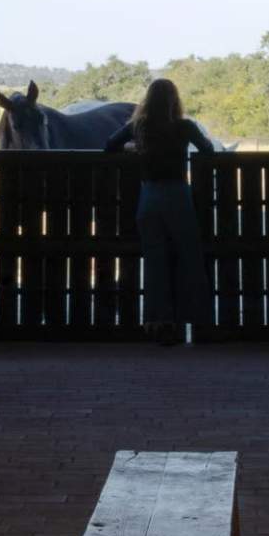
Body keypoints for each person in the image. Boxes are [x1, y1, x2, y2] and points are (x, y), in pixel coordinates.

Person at [102, 78, 215, 345]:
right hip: (178, 195)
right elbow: (208, 150)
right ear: (174, 100)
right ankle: (198, 321)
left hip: (149, 197)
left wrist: (133, 148)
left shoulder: (139, 126)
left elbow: (109, 145)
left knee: (155, 262)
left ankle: (158, 323)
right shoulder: (184, 127)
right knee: (190, 258)